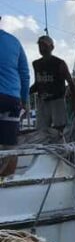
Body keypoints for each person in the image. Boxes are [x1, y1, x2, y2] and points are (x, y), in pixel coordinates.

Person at [30, 35, 75, 133]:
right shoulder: (36, 64)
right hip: (42, 102)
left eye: (45, 46)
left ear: (52, 47)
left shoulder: (60, 63)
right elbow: (37, 84)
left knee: (60, 131)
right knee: (41, 132)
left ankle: (61, 147)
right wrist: (23, 93)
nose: (42, 48)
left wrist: (74, 106)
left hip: (57, 101)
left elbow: (72, 84)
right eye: (40, 46)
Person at [0, 16, 29, 177]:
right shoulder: (14, 42)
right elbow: (24, 74)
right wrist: (24, 100)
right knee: (10, 145)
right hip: (11, 100)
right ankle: (6, 181)